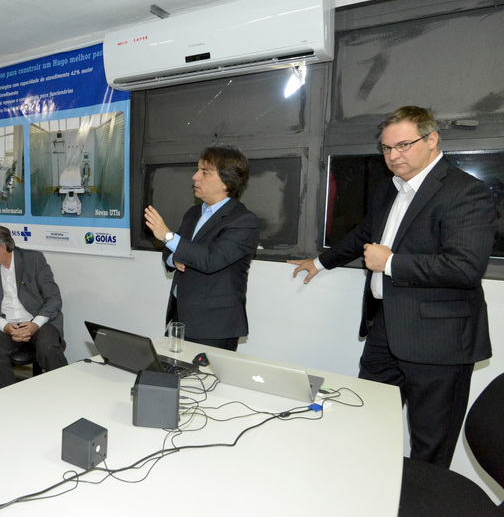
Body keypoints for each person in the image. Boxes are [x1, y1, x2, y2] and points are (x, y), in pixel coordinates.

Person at [288, 106, 497, 468]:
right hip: (385, 330)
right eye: (386, 148)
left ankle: (422, 499)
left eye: (403, 145)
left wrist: (391, 262)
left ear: (432, 140)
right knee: (365, 420)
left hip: (439, 342)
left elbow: (465, 268)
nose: (393, 155)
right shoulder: (390, 188)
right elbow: (365, 234)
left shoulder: (466, 191)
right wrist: (321, 262)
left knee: (430, 445)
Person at [144, 145, 260, 352]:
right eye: (197, 169)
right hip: (180, 318)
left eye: (205, 172)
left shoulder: (243, 221)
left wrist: (167, 236)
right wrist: (174, 259)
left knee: (207, 375)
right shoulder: (193, 213)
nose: (195, 177)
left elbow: (210, 260)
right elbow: (173, 251)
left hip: (213, 327)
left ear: (227, 181)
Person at [0, 224, 68, 389]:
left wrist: (35, 324)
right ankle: (12, 394)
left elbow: (54, 299)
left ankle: (67, 390)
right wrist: (6, 327)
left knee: (48, 348)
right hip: (6, 324)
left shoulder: (34, 260)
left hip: (38, 320)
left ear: (3, 247)